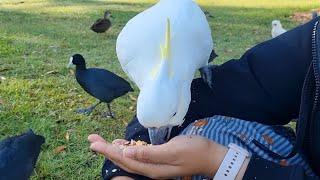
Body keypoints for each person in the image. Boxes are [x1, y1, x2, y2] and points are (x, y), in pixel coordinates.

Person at [89, 17, 320, 180]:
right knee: (202, 130)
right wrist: (128, 168)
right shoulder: (311, 44)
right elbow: (220, 91)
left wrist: (225, 164)